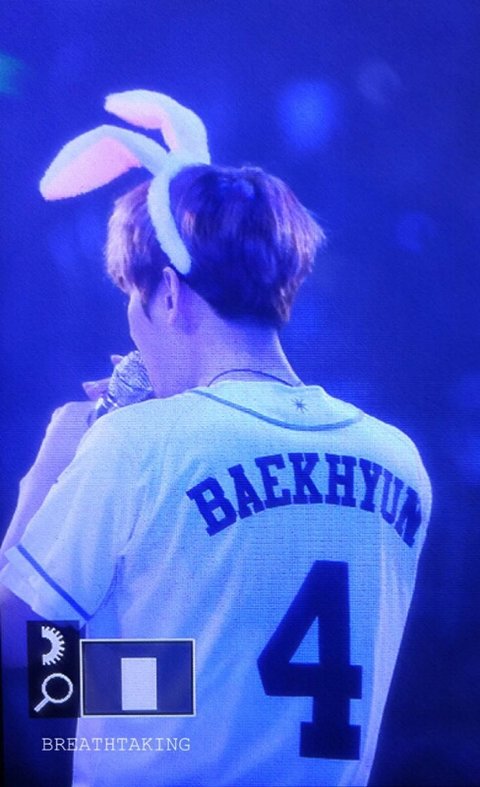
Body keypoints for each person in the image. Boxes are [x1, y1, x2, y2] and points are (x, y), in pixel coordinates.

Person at [0, 90, 431, 787]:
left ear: (168, 294)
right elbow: (226, 681)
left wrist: (52, 459)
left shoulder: (138, 444)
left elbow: (9, 635)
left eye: (134, 298)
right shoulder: (399, 460)